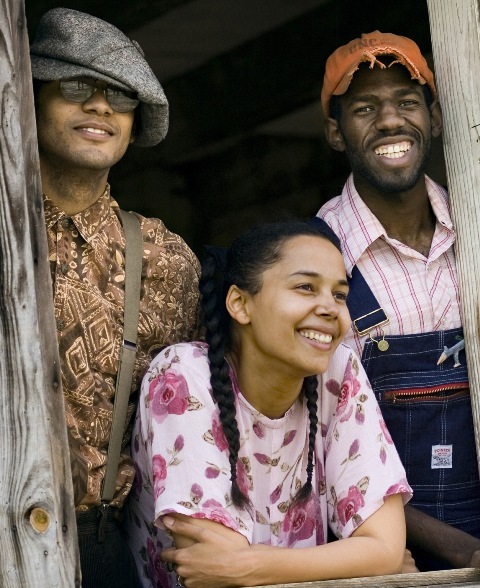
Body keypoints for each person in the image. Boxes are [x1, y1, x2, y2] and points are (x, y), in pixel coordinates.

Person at [126, 219, 412, 587]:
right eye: (306, 287)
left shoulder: (337, 369)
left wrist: (251, 565)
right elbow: (215, 576)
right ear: (240, 304)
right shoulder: (181, 375)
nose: (329, 307)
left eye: (339, 295)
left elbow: (385, 549)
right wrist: (353, 561)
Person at [29, 8, 200, 587]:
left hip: (101, 546)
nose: (101, 106)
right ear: (30, 100)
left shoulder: (165, 259)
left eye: (120, 96)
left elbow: (191, 427)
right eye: (75, 86)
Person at [317, 31, 480, 571]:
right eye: (365, 108)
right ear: (335, 133)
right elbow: (318, 452)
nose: (390, 121)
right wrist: (459, 550)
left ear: (434, 118)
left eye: (406, 103)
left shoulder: (474, 228)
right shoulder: (313, 261)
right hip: (388, 551)